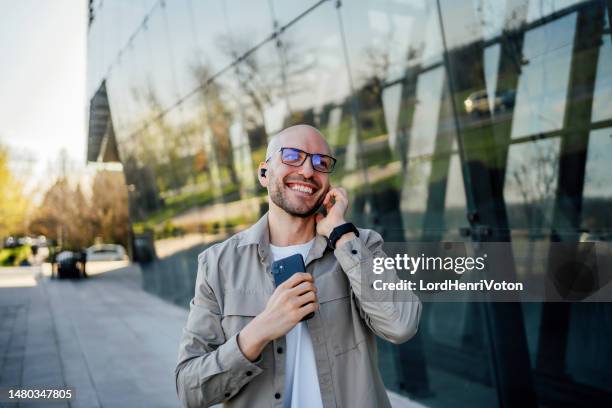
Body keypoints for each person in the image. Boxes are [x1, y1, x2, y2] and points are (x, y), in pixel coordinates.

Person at [175, 124, 421, 407]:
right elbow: (190, 389)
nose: (307, 171)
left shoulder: (359, 245)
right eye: (292, 156)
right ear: (264, 174)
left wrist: (341, 234)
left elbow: (401, 325)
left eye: (321, 163)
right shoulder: (218, 265)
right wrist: (259, 331)